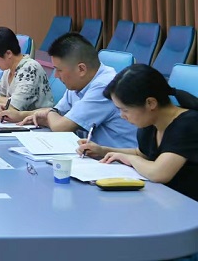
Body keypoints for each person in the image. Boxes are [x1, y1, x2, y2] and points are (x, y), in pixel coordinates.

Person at [77, 65, 198, 201]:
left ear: (150, 103)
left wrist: (130, 159)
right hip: (165, 198)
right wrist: (102, 150)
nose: (122, 116)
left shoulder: (188, 124)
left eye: (125, 110)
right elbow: (141, 153)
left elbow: (159, 173)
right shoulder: (151, 122)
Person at [1, 33, 137, 147]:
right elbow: (58, 113)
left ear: (81, 69)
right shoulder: (79, 82)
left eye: (59, 70)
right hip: (94, 155)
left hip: (119, 163)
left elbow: (61, 126)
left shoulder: (104, 85)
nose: (55, 75)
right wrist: (20, 115)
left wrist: (49, 114)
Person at [0, 27, 53, 110]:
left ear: (8, 53)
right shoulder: (9, 68)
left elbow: (16, 104)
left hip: (36, 117)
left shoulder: (30, 69)